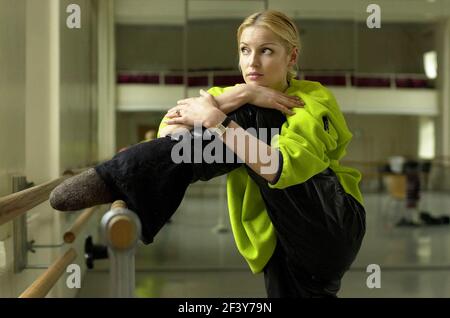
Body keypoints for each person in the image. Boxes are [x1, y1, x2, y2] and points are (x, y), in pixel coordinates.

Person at [50, 10, 365, 298]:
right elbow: (171, 136)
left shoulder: (310, 100)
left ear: (291, 56)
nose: (252, 62)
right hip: (279, 234)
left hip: (329, 222)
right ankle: (121, 175)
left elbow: (277, 167)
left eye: (266, 51)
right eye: (245, 50)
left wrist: (217, 117)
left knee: (253, 120)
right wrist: (245, 93)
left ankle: (114, 177)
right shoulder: (229, 96)